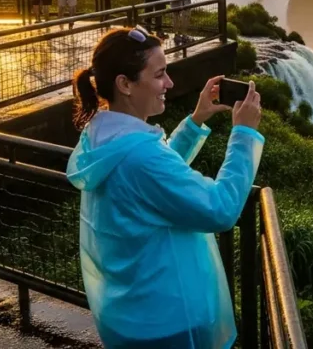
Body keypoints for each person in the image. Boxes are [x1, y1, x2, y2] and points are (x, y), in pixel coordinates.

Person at [67, 26, 263, 349]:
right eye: (159, 75)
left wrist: (197, 120)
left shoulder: (101, 137)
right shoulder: (140, 156)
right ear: (125, 84)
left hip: (127, 314)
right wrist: (244, 136)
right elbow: (221, 209)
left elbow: (152, 180)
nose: (170, 84)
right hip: (168, 324)